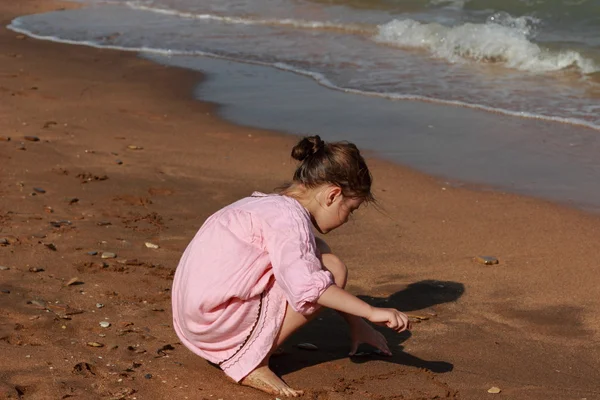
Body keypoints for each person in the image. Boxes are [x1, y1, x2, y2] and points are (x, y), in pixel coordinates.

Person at [171, 135, 411, 397]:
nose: (347, 219)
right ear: (332, 195)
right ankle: (250, 361)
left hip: (194, 319)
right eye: (350, 210)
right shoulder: (290, 221)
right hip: (215, 322)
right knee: (331, 270)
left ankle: (249, 345)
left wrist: (357, 324)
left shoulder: (269, 206)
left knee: (319, 253)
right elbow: (309, 288)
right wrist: (370, 311)